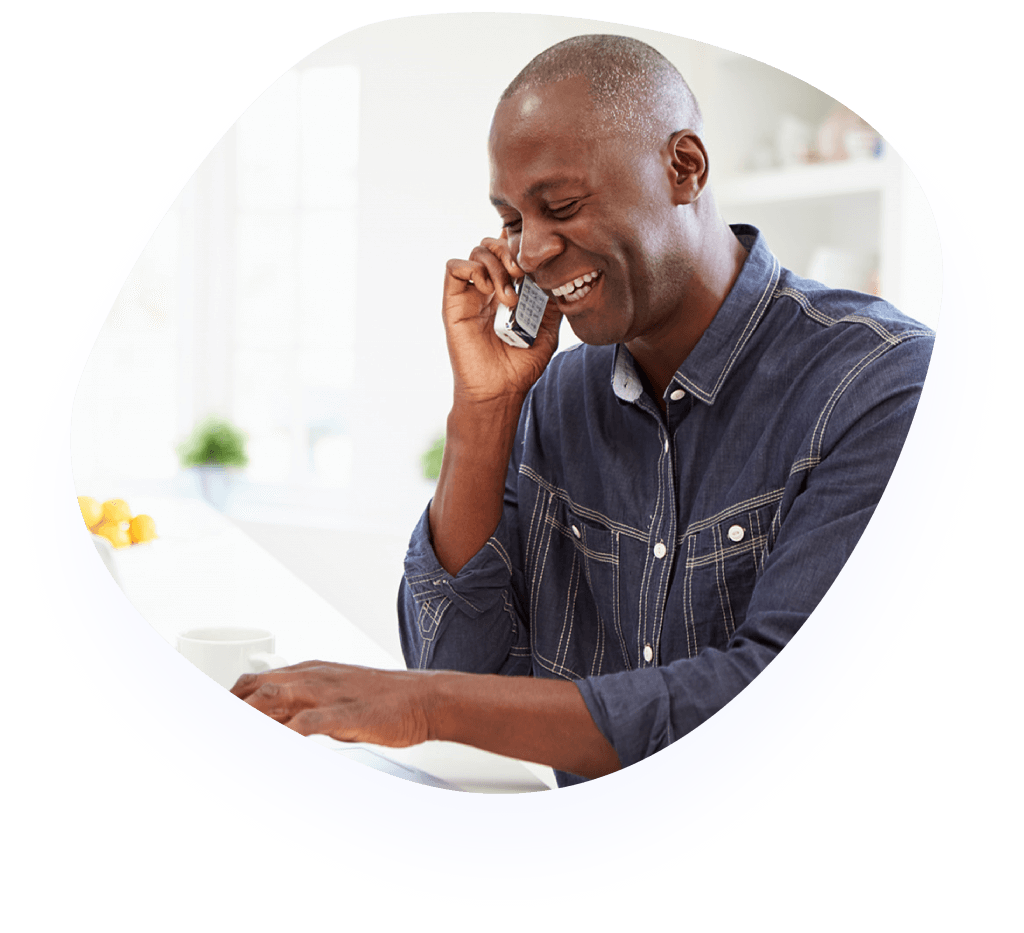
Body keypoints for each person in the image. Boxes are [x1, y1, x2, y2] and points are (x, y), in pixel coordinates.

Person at [232, 35, 935, 787]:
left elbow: (779, 706)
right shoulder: (555, 400)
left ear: (685, 168)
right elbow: (458, 664)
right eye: (512, 220)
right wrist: (484, 410)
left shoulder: (879, 383)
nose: (530, 251)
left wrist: (427, 705)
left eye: (561, 206)